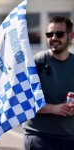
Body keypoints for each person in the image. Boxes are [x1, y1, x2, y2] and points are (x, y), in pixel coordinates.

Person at [23, 16, 74, 150]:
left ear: (71, 36)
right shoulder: (36, 62)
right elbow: (24, 100)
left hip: (69, 137)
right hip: (39, 135)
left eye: (59, 34)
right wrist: (53, 108)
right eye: (50, 34)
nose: (53, 38)